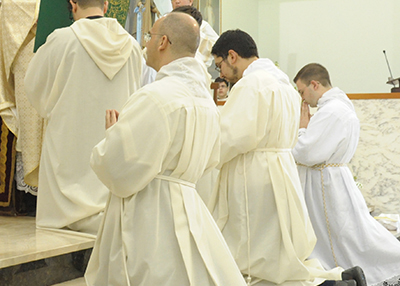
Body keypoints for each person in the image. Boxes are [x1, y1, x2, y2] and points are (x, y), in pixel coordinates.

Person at [84, 13, 247, 286]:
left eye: (149, 36)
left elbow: (118, 167)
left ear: (163, 42)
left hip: (149, 212)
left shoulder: (155, 96)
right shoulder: (206, 102)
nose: (145, 43)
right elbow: (210, 159)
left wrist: (114, 137)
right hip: (189, 204)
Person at [208, 29, 366, 286]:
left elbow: (231, 136)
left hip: (253, 173)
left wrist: (202, 155)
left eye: (220, 65)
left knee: (255, 260)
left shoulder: (251, 84)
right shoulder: (282, 82)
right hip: (281, 170)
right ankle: (336, 280)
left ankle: (332, 283)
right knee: (278, 255)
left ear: (232, 56)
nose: (221, 74)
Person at [24, 0, 143, 235]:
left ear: (73, 4)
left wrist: (54, 107)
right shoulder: (131, 46)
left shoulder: (62, 40)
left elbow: (33, 87)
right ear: (107, 5)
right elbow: (136, 91)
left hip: (69, 138)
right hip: (111, 146)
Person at [292, 63, 400, 286]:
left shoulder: (330, 111)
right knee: (352, 233)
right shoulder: (341, 106)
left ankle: (386, 266)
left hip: (325, 183)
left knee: (350, 237)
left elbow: (307, 152)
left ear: (315, 84)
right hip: (335, 178)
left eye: (302, 91)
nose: (303, 99)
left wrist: (303, 128)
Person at [171, 0, 218, 68]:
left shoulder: (203, 25)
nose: (177, 1)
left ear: (190, 1)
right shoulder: (166, 23)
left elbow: (216, 45)